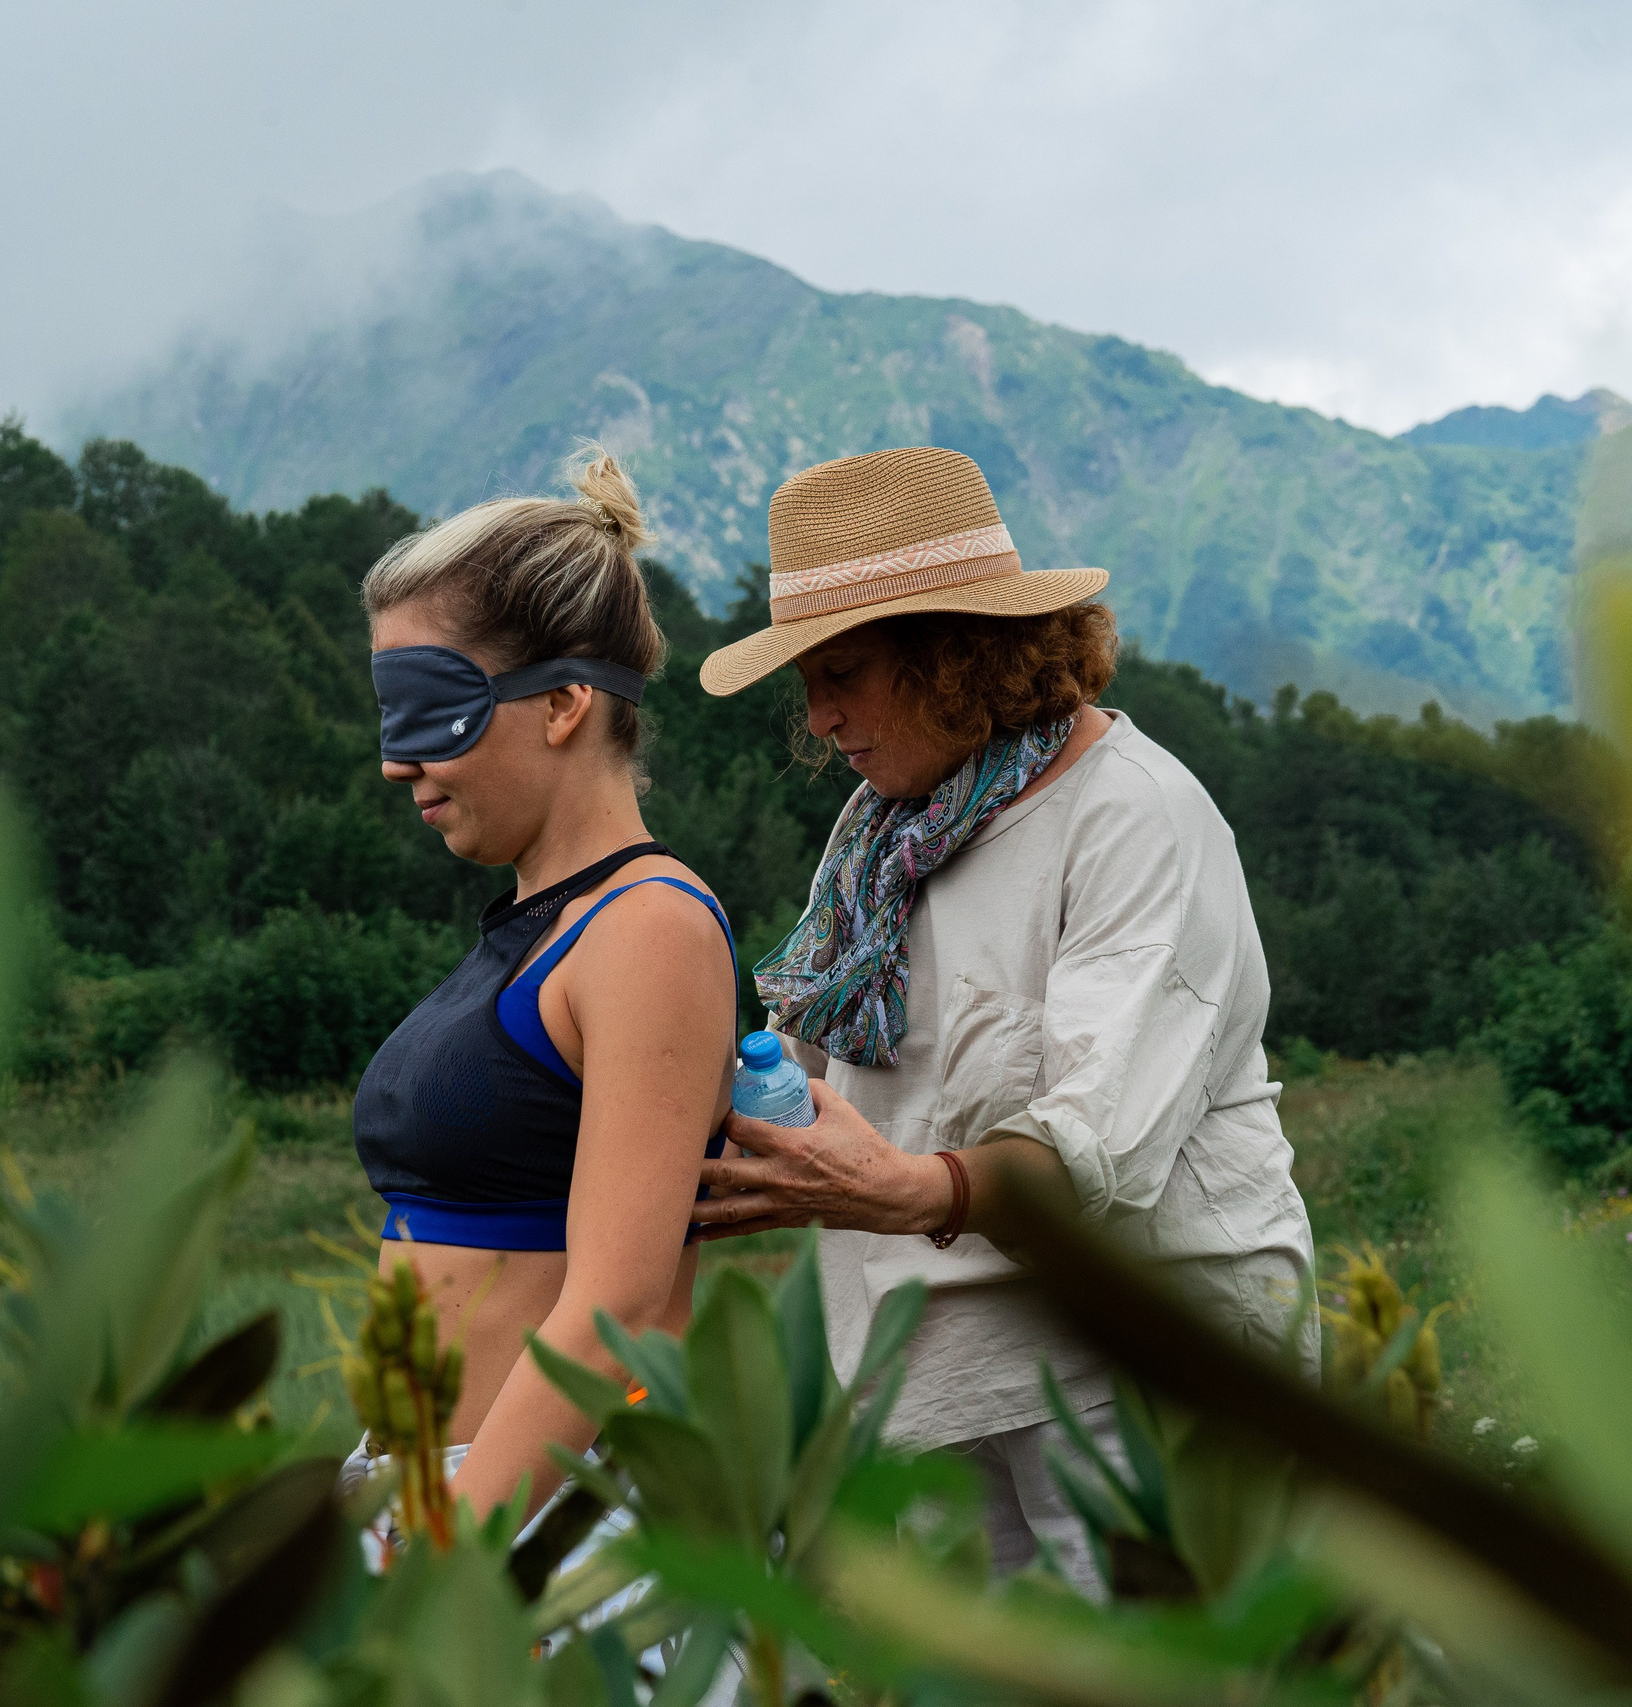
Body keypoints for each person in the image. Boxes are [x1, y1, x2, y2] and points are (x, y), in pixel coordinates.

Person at [689, 446, 1316, 1590]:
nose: (821, 719)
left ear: (960, 656)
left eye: (846, 673)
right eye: (807, 685)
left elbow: (1096, 1151)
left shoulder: (1132, 816)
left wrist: (898, 1191)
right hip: (939, 1372)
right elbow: (824, 1076)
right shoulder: (883, 834)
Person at [348, 448, 738, 1522]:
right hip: (456, 1498)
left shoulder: (646, 929)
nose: (396, 763)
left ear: (564, 703)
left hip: (555, 1528)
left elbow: (615, 1302)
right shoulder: (541, 929)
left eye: (429, 714)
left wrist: (451, 1552)